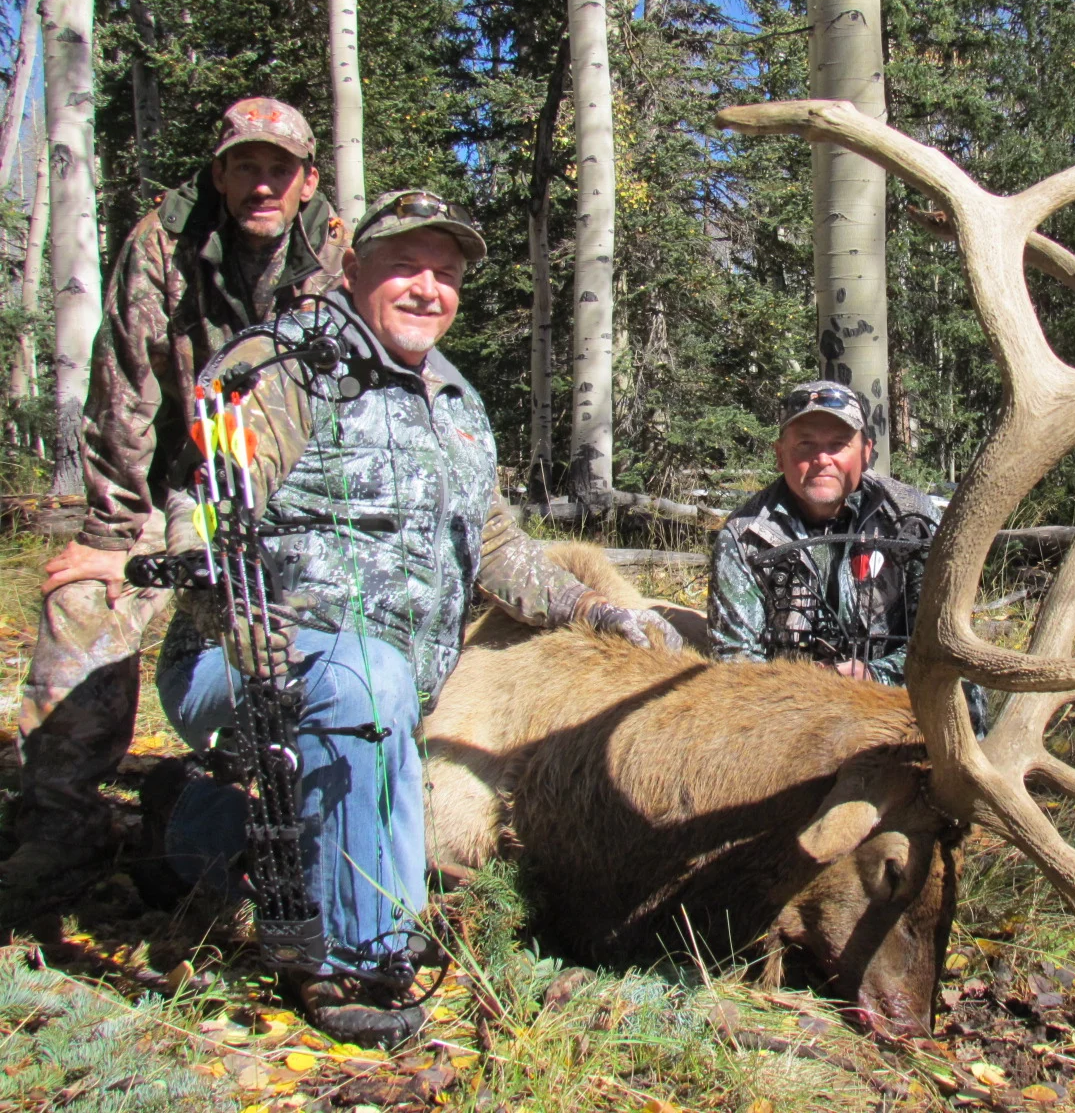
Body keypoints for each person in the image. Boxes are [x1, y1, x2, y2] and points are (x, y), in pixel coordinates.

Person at [143, 190, 680, 1048]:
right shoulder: (281, 365)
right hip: (244, 655)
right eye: (404, 266)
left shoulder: (456, 401)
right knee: (365, 682)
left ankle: (194, 825)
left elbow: (495, 544)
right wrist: (225, 599)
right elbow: (205, 503)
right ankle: (363, 960)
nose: (428, 288)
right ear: (352, 268)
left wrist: (593, 607)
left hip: (394, 684)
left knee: (393, 753)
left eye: (447, 273)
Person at [4, 99, 349, 895]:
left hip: (286, 496)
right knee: (85, 601)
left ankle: (288, 813)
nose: (262, 185)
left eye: (279, 170)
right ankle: (62, 829)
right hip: (171, 482)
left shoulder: (333, 255)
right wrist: (114, 530)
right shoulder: (162, 241)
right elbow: (124, 390)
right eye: (245, 167)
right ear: (220, 173)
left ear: (306, 181)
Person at [707, 380, 944, 688]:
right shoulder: (744, 536)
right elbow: (734, 664)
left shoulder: (912, 520)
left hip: (897, 696)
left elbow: (941, 642)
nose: (822, 460)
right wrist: (810, 688)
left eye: (838, 445)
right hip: (791, 706)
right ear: (779, 455)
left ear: (865, 453)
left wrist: (873, 676)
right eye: (805, 444)